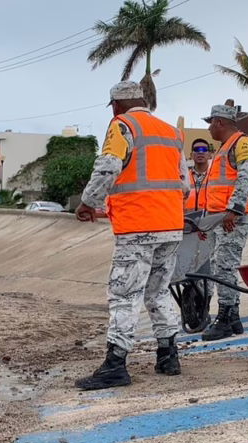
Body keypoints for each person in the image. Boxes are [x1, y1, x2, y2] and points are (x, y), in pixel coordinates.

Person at [73, 81, 190, 390]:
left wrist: (89, 202)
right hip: (170, 225)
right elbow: (185, 184)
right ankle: (168, 356)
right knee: (159, 291)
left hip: (138, 226)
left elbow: (109, 165)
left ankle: (115, 364)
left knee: (125, 295)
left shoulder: (122, 125)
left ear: (115, 105)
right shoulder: (170, 132)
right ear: (142, 100)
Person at [200, 102, 248, 341]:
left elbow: (246, 177)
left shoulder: (242, 144)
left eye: (210, 123)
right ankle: (232, 317)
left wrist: (234, 209)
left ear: (220, 122)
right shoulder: (223, 148)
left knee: (224, 267)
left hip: (232, 218)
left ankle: (225, 317)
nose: (209, 129)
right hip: (220, 218)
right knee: (222, 267)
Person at [187, 138, 212, 212]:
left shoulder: (215, 177)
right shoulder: (184, 178)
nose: (200, 152)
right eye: (196, 150)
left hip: (209, 221)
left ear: (209, 155)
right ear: (191, 155)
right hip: (187, 220)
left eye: (204, 150)